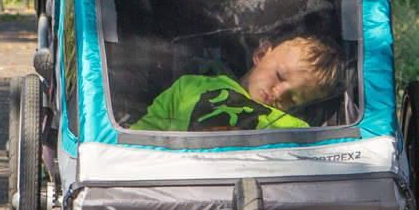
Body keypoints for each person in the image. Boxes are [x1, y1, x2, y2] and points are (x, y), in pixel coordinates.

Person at [129, 35, 339, 132]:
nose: (278, 93)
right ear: (261, 53)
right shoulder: (192, 86)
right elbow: (144, 134)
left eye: (292, 100)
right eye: (280, 76)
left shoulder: (293, 128)